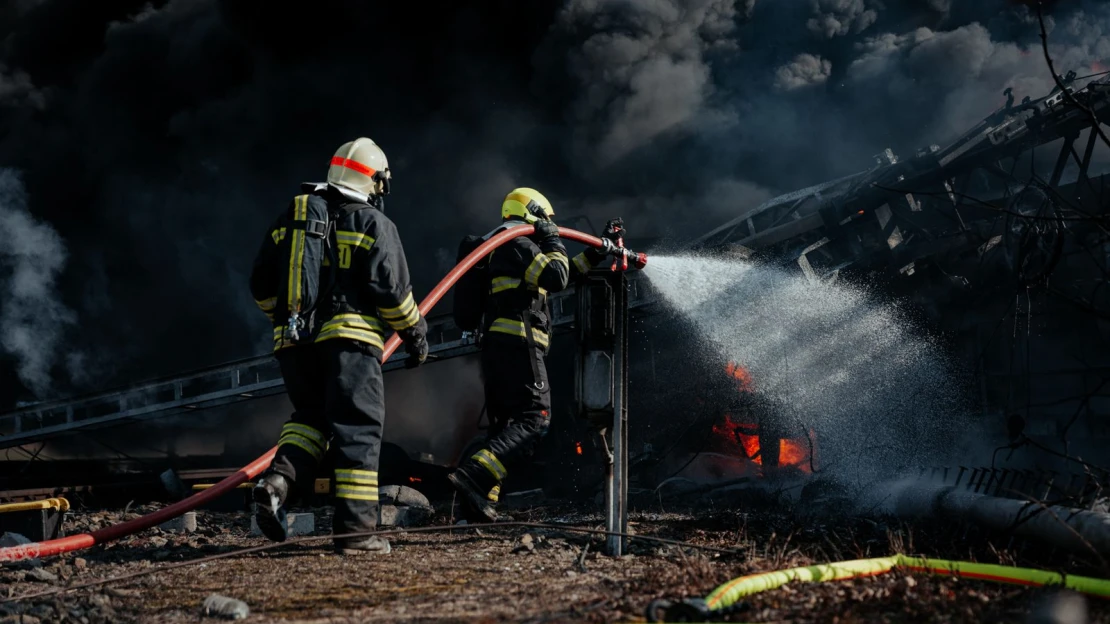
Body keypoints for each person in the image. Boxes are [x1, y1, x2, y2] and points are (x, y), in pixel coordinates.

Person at [248, 137, 428, 555]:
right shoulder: (374, 224)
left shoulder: (289, 219)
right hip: (351, 346)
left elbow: (260, 286)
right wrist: (416, 335)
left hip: (294, 345)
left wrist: (291, 316)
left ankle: (277, 483)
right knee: (358, 431)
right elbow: (394, 296)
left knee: (311, 419)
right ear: (374, 181)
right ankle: (356, 534)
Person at [447, 187, 620, 521]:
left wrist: (598, 252)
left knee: (503, 430)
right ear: (534, 213)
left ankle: (475, 507)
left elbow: (563, 276)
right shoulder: (518, 243)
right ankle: (474, 474)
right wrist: (554, 239)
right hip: (519, 346)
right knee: (536, 418)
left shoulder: (498, 247)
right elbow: (556, 276)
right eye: (546, 218)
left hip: (497, 353)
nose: (549, 225)